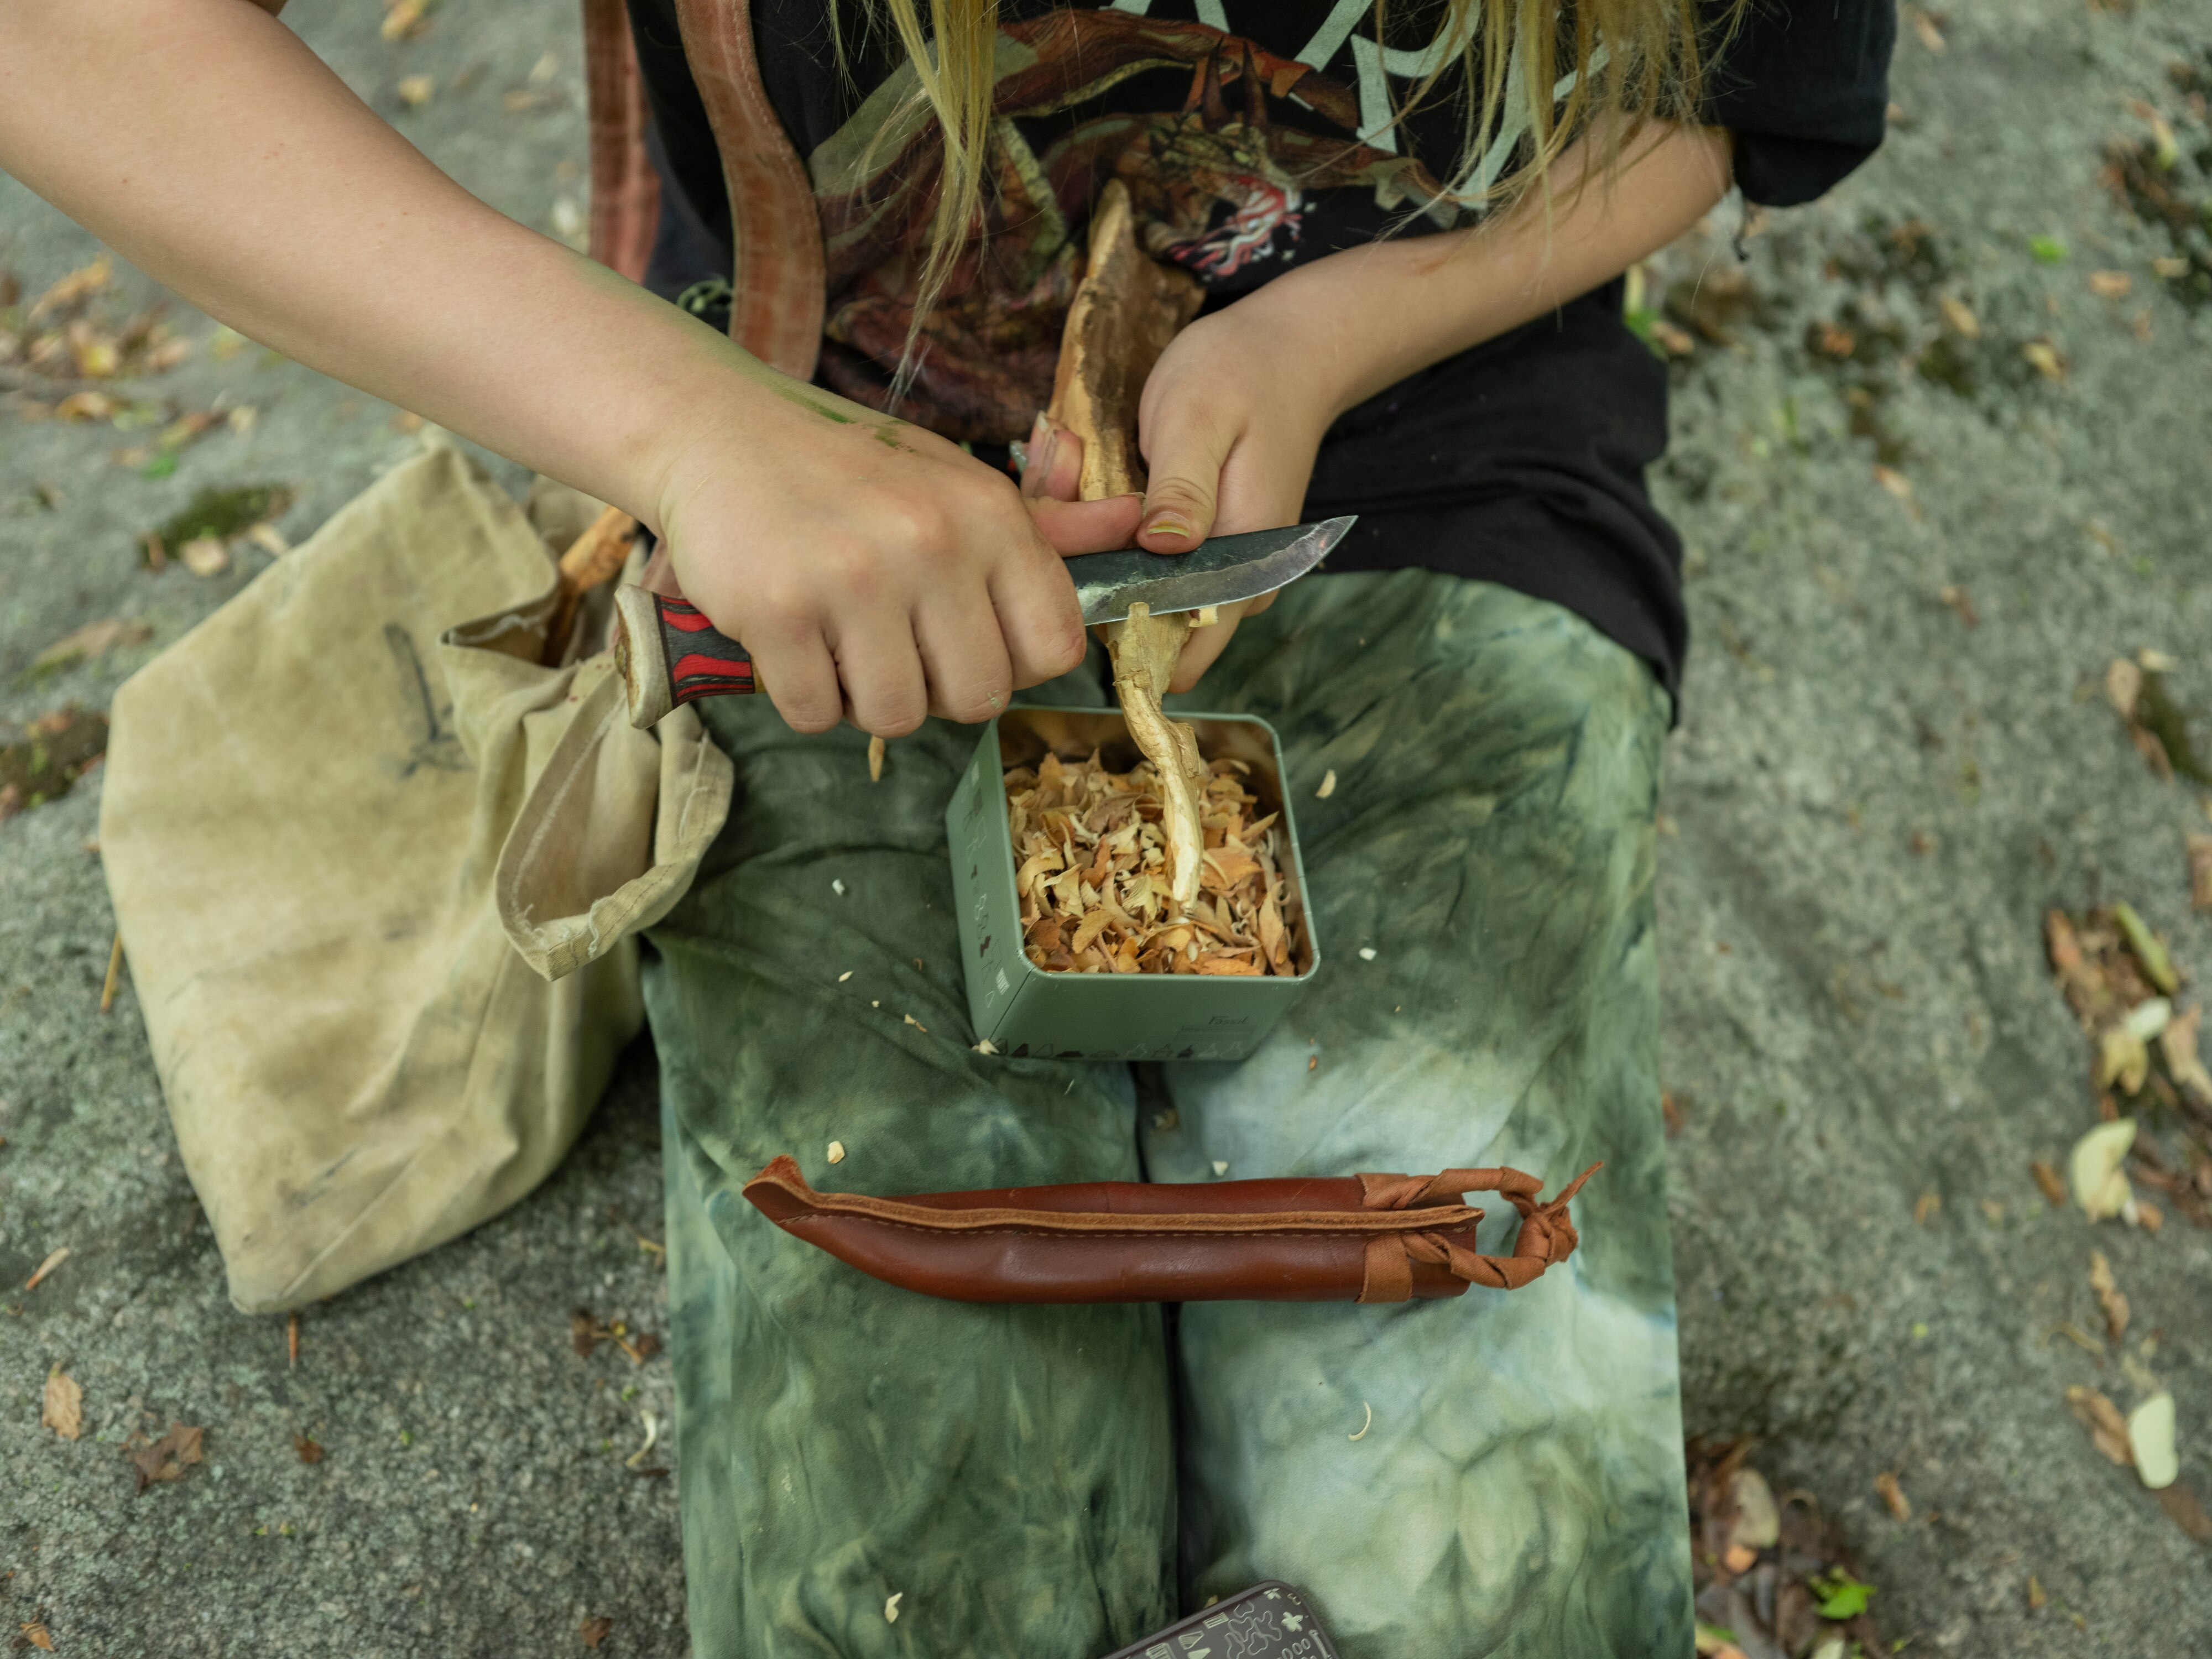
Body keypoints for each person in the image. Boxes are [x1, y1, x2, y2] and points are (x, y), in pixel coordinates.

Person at [0, 0, 1893, 1652]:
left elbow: (1736, 77)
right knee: (909, 1542)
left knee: (1481, 1558)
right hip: (820, 510)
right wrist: (690, 433)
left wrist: (1336, 329)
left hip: (1443, 479)